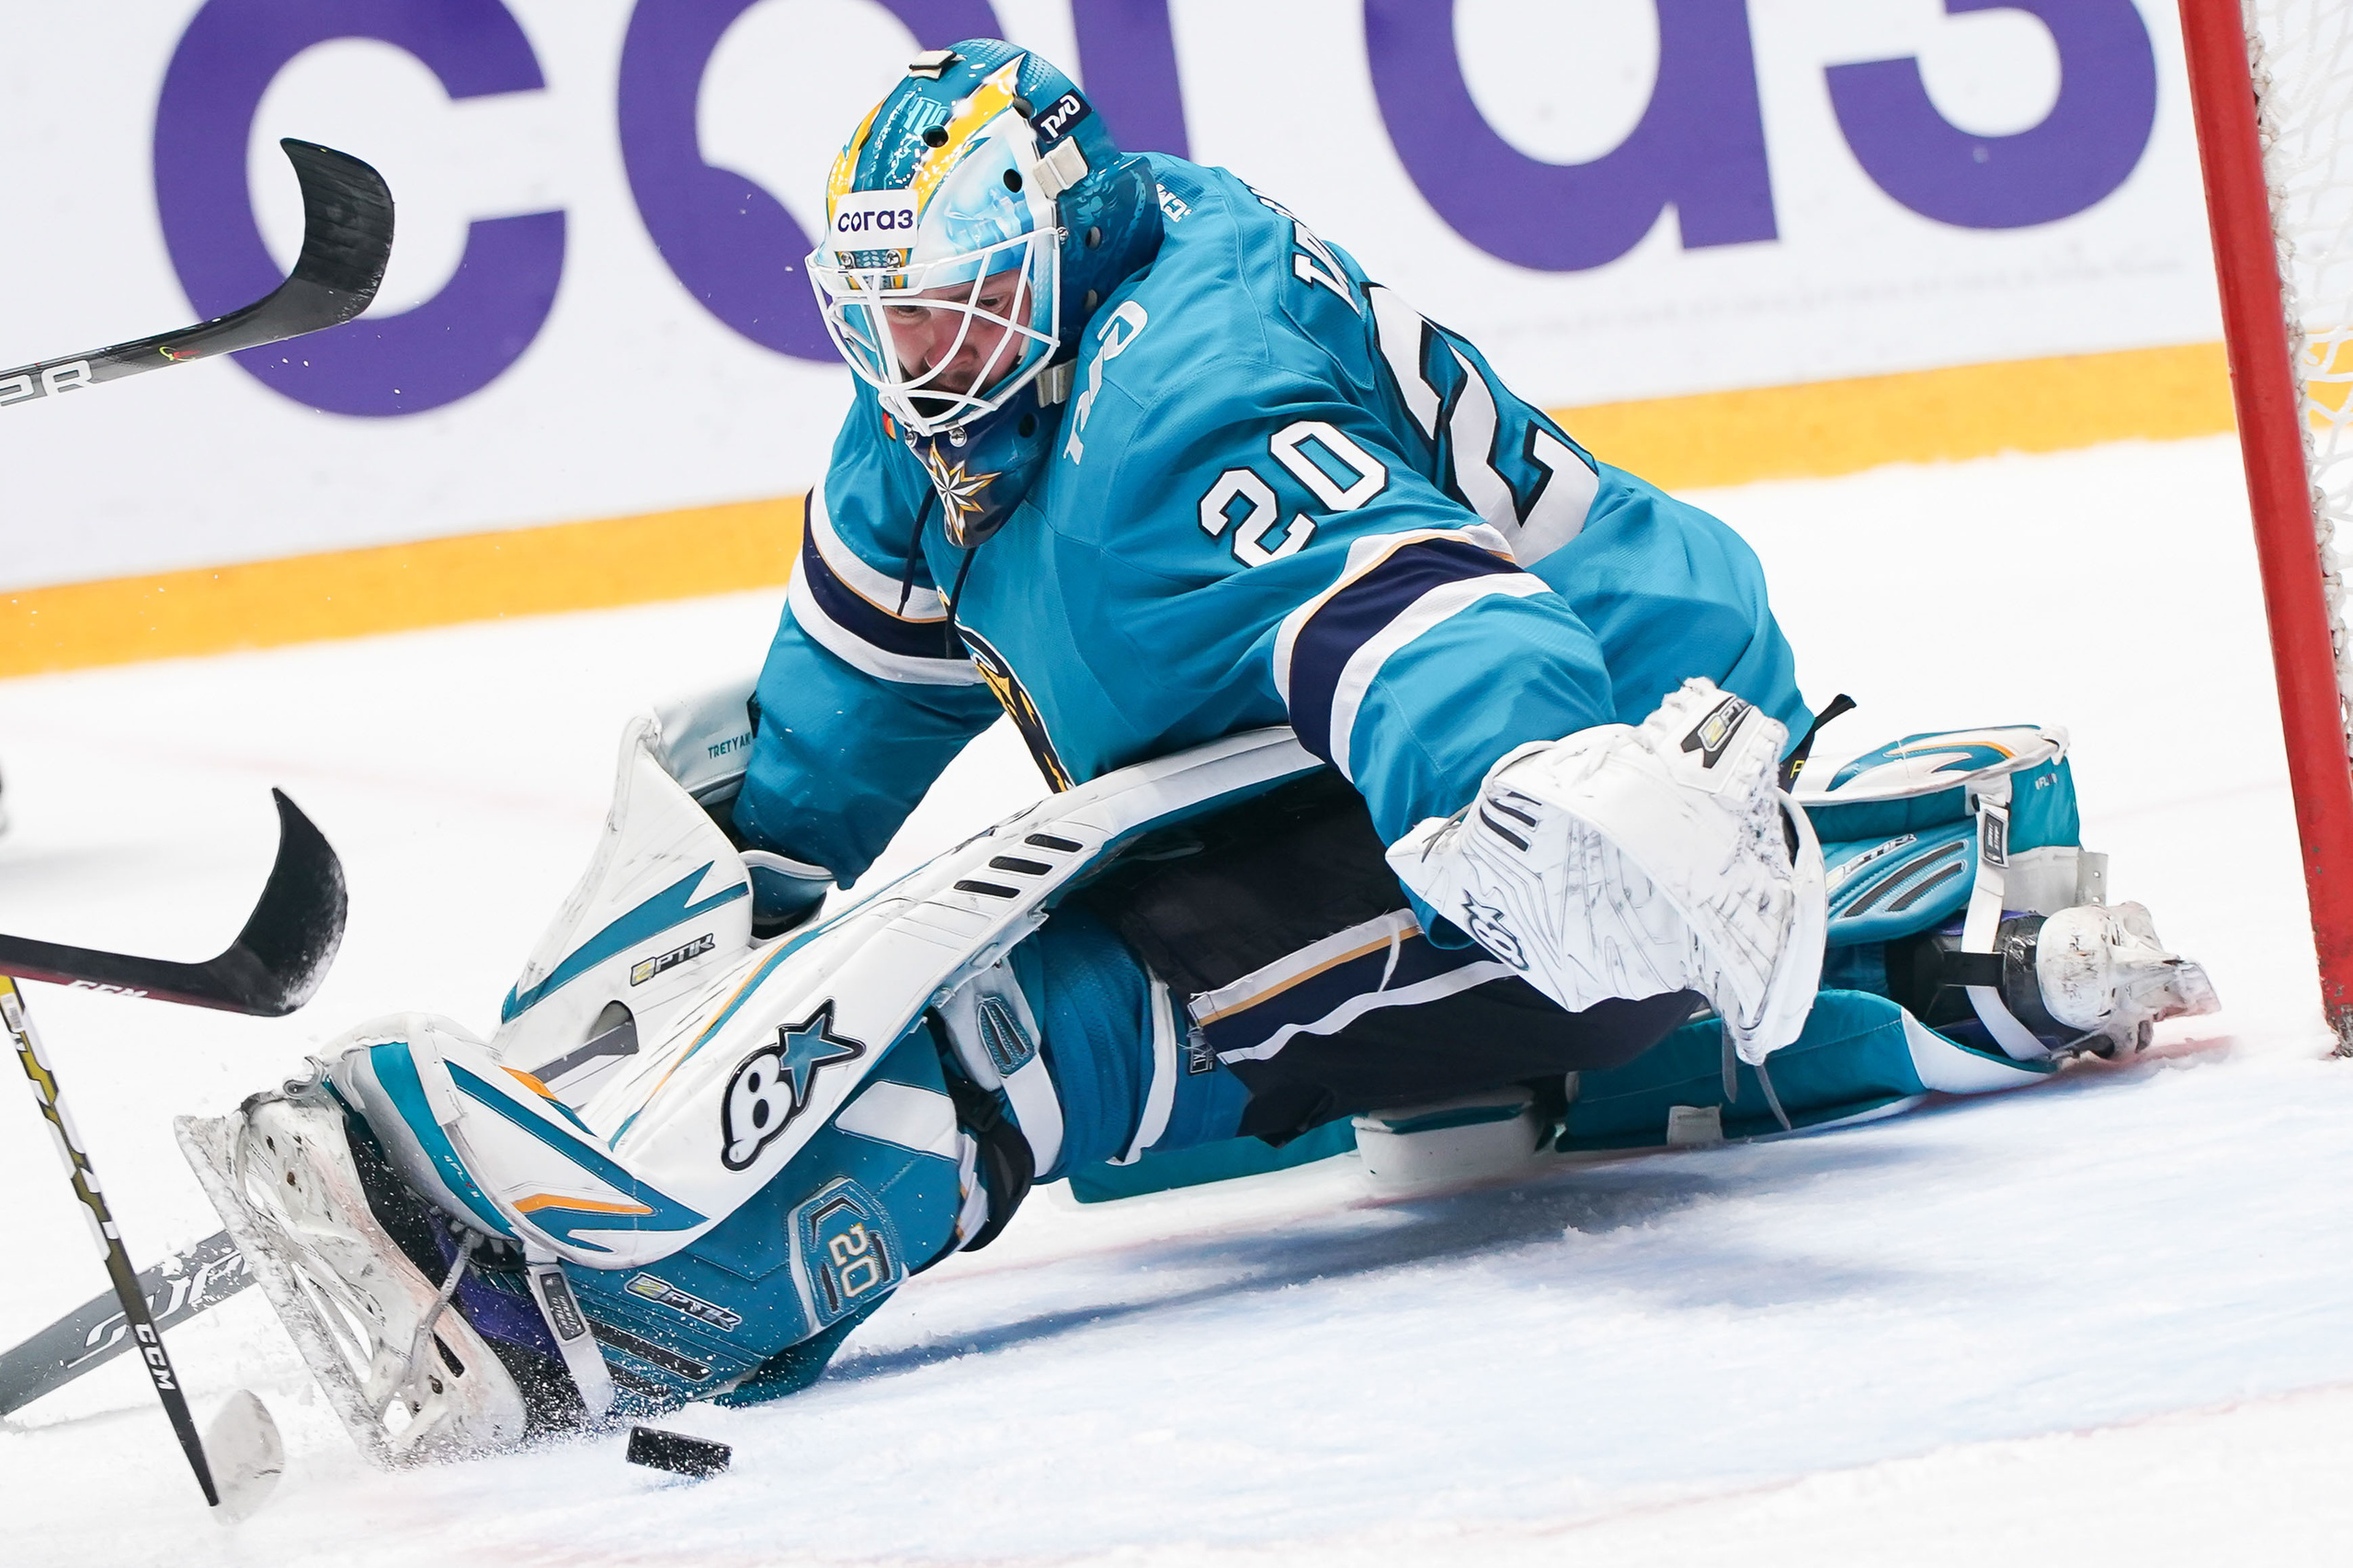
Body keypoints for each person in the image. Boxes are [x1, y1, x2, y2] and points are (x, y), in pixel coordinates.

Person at [183, 40, 2217, 1463]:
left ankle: (690, 1286)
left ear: (1057, 257)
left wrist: (1546, 806)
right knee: (1078, 927)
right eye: (885, 317)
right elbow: (813, 770)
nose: (919, 363)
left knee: (1063, 993)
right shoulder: (943, 428)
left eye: (961, 311)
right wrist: (622, 1036)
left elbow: (1424, 619)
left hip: (1607, 763)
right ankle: (1877, 977)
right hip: (1352, 779)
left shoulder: (1192, 388)